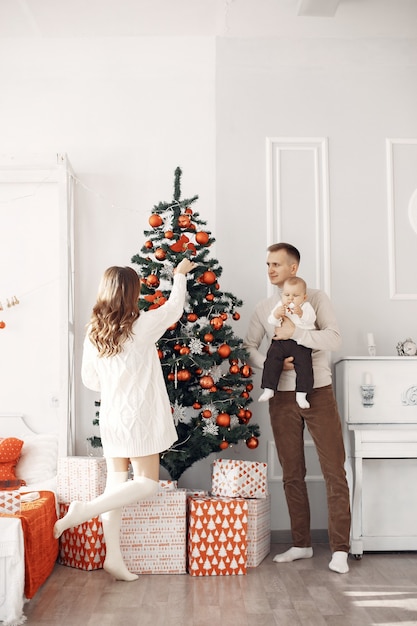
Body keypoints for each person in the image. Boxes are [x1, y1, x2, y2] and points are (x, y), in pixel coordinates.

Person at [53, 258, 197, 581]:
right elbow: (174, 309)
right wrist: (178, 275)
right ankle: (84, 511)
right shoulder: (141, 325)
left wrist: (115, 381)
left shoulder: (95, 331)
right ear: (131, 293)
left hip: (112, 416)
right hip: (139, 416)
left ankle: (113, 558)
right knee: (146, 483)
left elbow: (90, 378)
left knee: (117, 485)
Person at [244, 243, 351, 574]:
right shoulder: (264, 307)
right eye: (267, 264)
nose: (271, 269)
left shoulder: (316, 299)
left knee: (335, 469)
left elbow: (333, 339)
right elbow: (248, 346)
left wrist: (298, 335)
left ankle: (341, 550)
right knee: (292, 474)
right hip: (281, 398)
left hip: (318, 391)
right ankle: (301, 544)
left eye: (277, 263)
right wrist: (274, 365)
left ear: (294, 267)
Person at [259, 276, 316, 408]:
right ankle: (269, 388)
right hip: (281, 342)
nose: (290, 298)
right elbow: (271, 321)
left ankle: (301, 394)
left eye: (295, 295)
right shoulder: (280, 306)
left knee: (305, 366)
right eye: (287, 295)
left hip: (300, 342)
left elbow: (310, 320)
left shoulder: (306, 307)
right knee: (272, 357)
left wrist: (301, 314)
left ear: (304, 297)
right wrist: (276, 315)